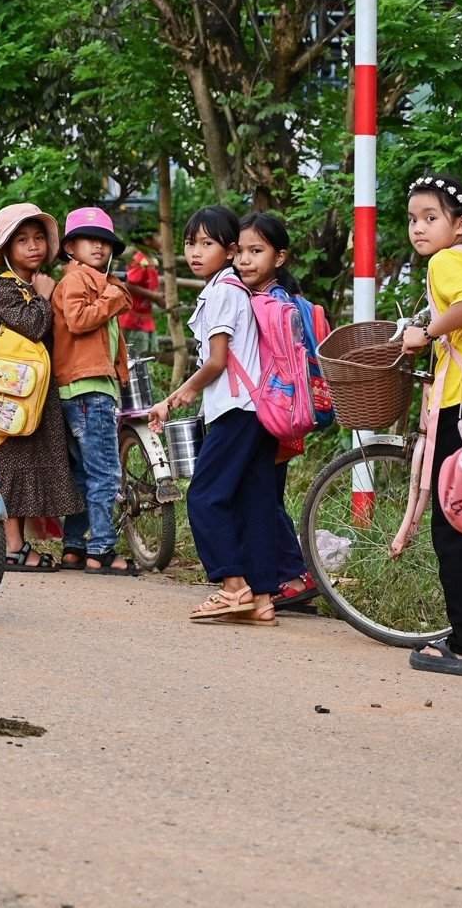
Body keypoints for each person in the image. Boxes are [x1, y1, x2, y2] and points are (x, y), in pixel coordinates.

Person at [149, 206, 284, 626]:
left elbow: (217, 360)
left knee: (204, 497)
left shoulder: (223, 291)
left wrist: (178, 395)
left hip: (237, 410)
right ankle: (262, 600)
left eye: (207, 243)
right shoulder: (233, 289)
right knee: (255, 501)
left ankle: (232, 587)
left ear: (228, 251)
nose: (195, 251)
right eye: (190, 243)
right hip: (256, 409)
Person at [398, 173, 462, 677]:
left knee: (452, 523)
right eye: (414, 219)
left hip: (461, 409)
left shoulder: (446, 261)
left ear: (459, 224)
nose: (419, 229)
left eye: (431, 218)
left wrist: (425, 333)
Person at [0, 203, 85, 573]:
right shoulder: (5, 290)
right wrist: (43, 294)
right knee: (11, 464)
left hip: (33, 395)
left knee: (26, 467)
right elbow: (35, 327)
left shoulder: (32, 284)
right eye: (22, 240)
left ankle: (17, 544)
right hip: (9, 396)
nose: (33, 245)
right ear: (7, 250)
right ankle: (12, 547)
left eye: (39, 238)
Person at [235, 211, 321, 613]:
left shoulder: (270, 303)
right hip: (285, 413)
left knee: (262, 496)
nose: (246, 260)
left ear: (280, 257)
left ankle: (293, 573)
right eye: (241, 251)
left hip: (271, 413)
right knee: (266, 494)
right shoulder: (286, 299)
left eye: (257, 251)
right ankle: (287, 573)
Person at [52, 207, 138, 574]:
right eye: (90, 240)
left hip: (82, 389)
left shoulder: (98, 281)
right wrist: (115, 297)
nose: (100, 247)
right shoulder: (77, 281)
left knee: (84, 474)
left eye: (105, 241)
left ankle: (74, 546)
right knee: (104, 471)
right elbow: (78, 319)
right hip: (88, 390)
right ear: (71, 246)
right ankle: (101, 550)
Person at [119, 246, 163, 360]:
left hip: (146, 319)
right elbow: (128, 284)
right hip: (133, 320)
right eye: (159, 235)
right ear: (147, 240)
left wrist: (158, 297)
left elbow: (154, 286)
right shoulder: (140, 261)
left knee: (146, 357)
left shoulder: (153, 261)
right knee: (135, 359)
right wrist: (154, 296)